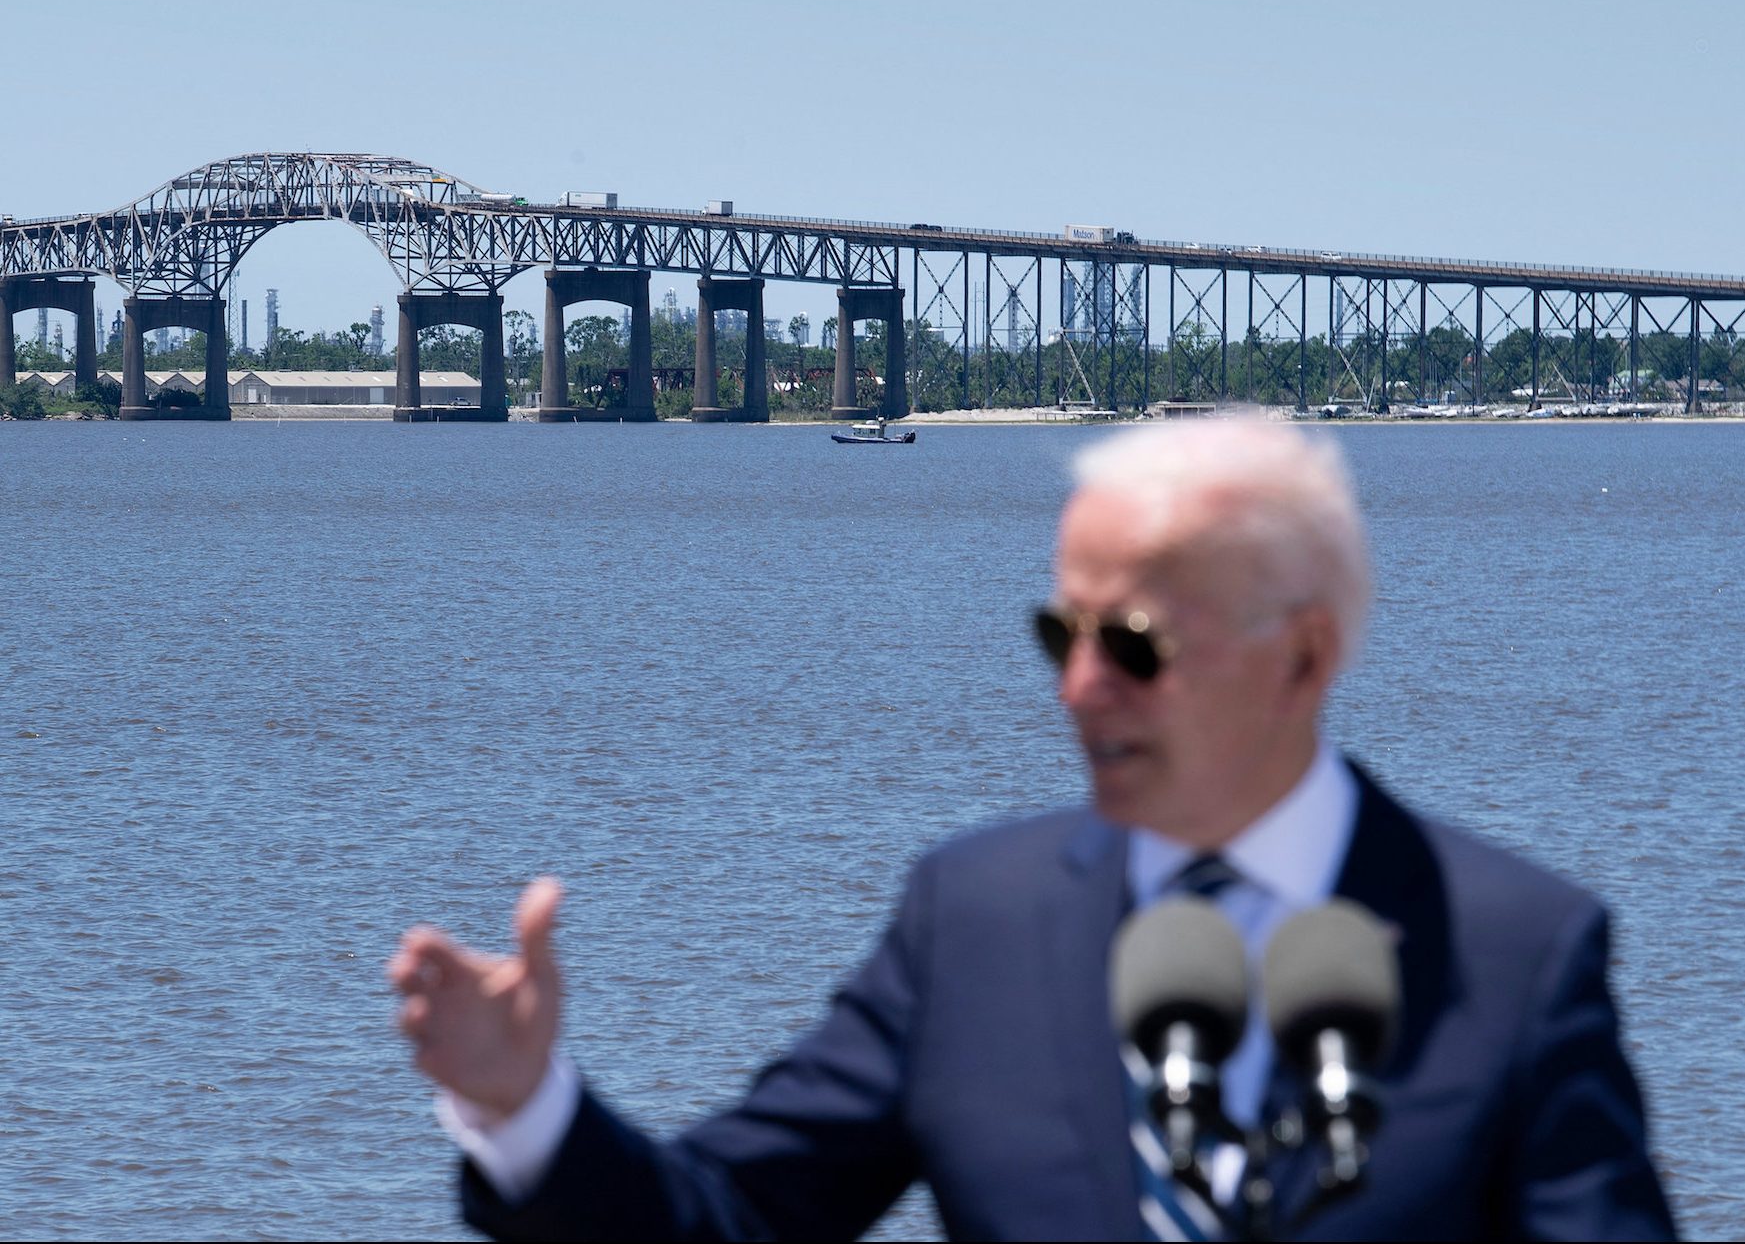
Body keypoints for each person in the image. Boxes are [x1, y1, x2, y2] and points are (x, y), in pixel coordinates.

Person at [390, 417, 1674, 1241]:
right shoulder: (972, 922)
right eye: (1060, 636)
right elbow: (728, 1219)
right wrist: (525, 1110)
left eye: (1132, 646)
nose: (1075, 689)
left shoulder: (1516, 955)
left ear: (1302, 657)